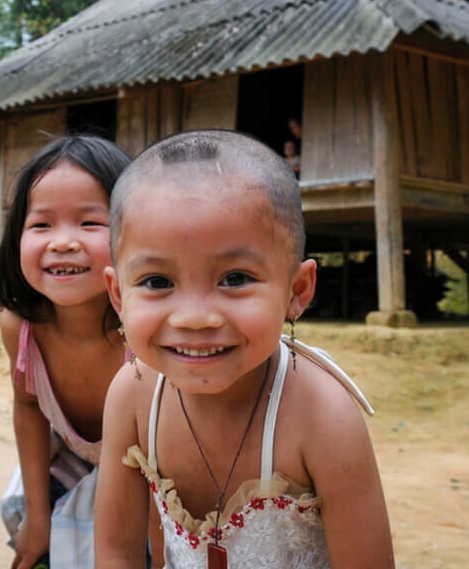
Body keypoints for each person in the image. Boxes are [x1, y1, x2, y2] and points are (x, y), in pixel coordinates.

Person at [96, 129, 394, 568]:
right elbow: (117, 553)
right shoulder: (133, 395)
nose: (194, 317)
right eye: (157, 282)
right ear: (118, 296)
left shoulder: (322, 416)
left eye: (235, 279)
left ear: (297, 290)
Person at [0, 135, 139, 569]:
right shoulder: (22, 329)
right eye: (41, 225)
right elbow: (29, 409)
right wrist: (38, 518)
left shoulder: (144, 335)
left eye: (89, 223)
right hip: (71, 469)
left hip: (157, 481)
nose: (63, 242)